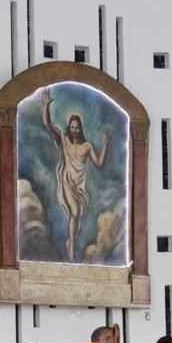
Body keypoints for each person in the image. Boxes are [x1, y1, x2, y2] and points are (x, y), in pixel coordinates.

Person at [41, 86, 110, 263]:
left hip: (79, 185)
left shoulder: (87, 146)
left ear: (81, 129)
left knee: (77, 215)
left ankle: (70, 241)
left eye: (77, 128)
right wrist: (46, 105)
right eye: (72, 127)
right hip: (66, 180)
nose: (74, 130)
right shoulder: (64, 140)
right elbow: (48, 124)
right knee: (76, 211)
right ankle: (71, 245)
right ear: (69, 127)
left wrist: (105, 145)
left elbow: (99, 164)